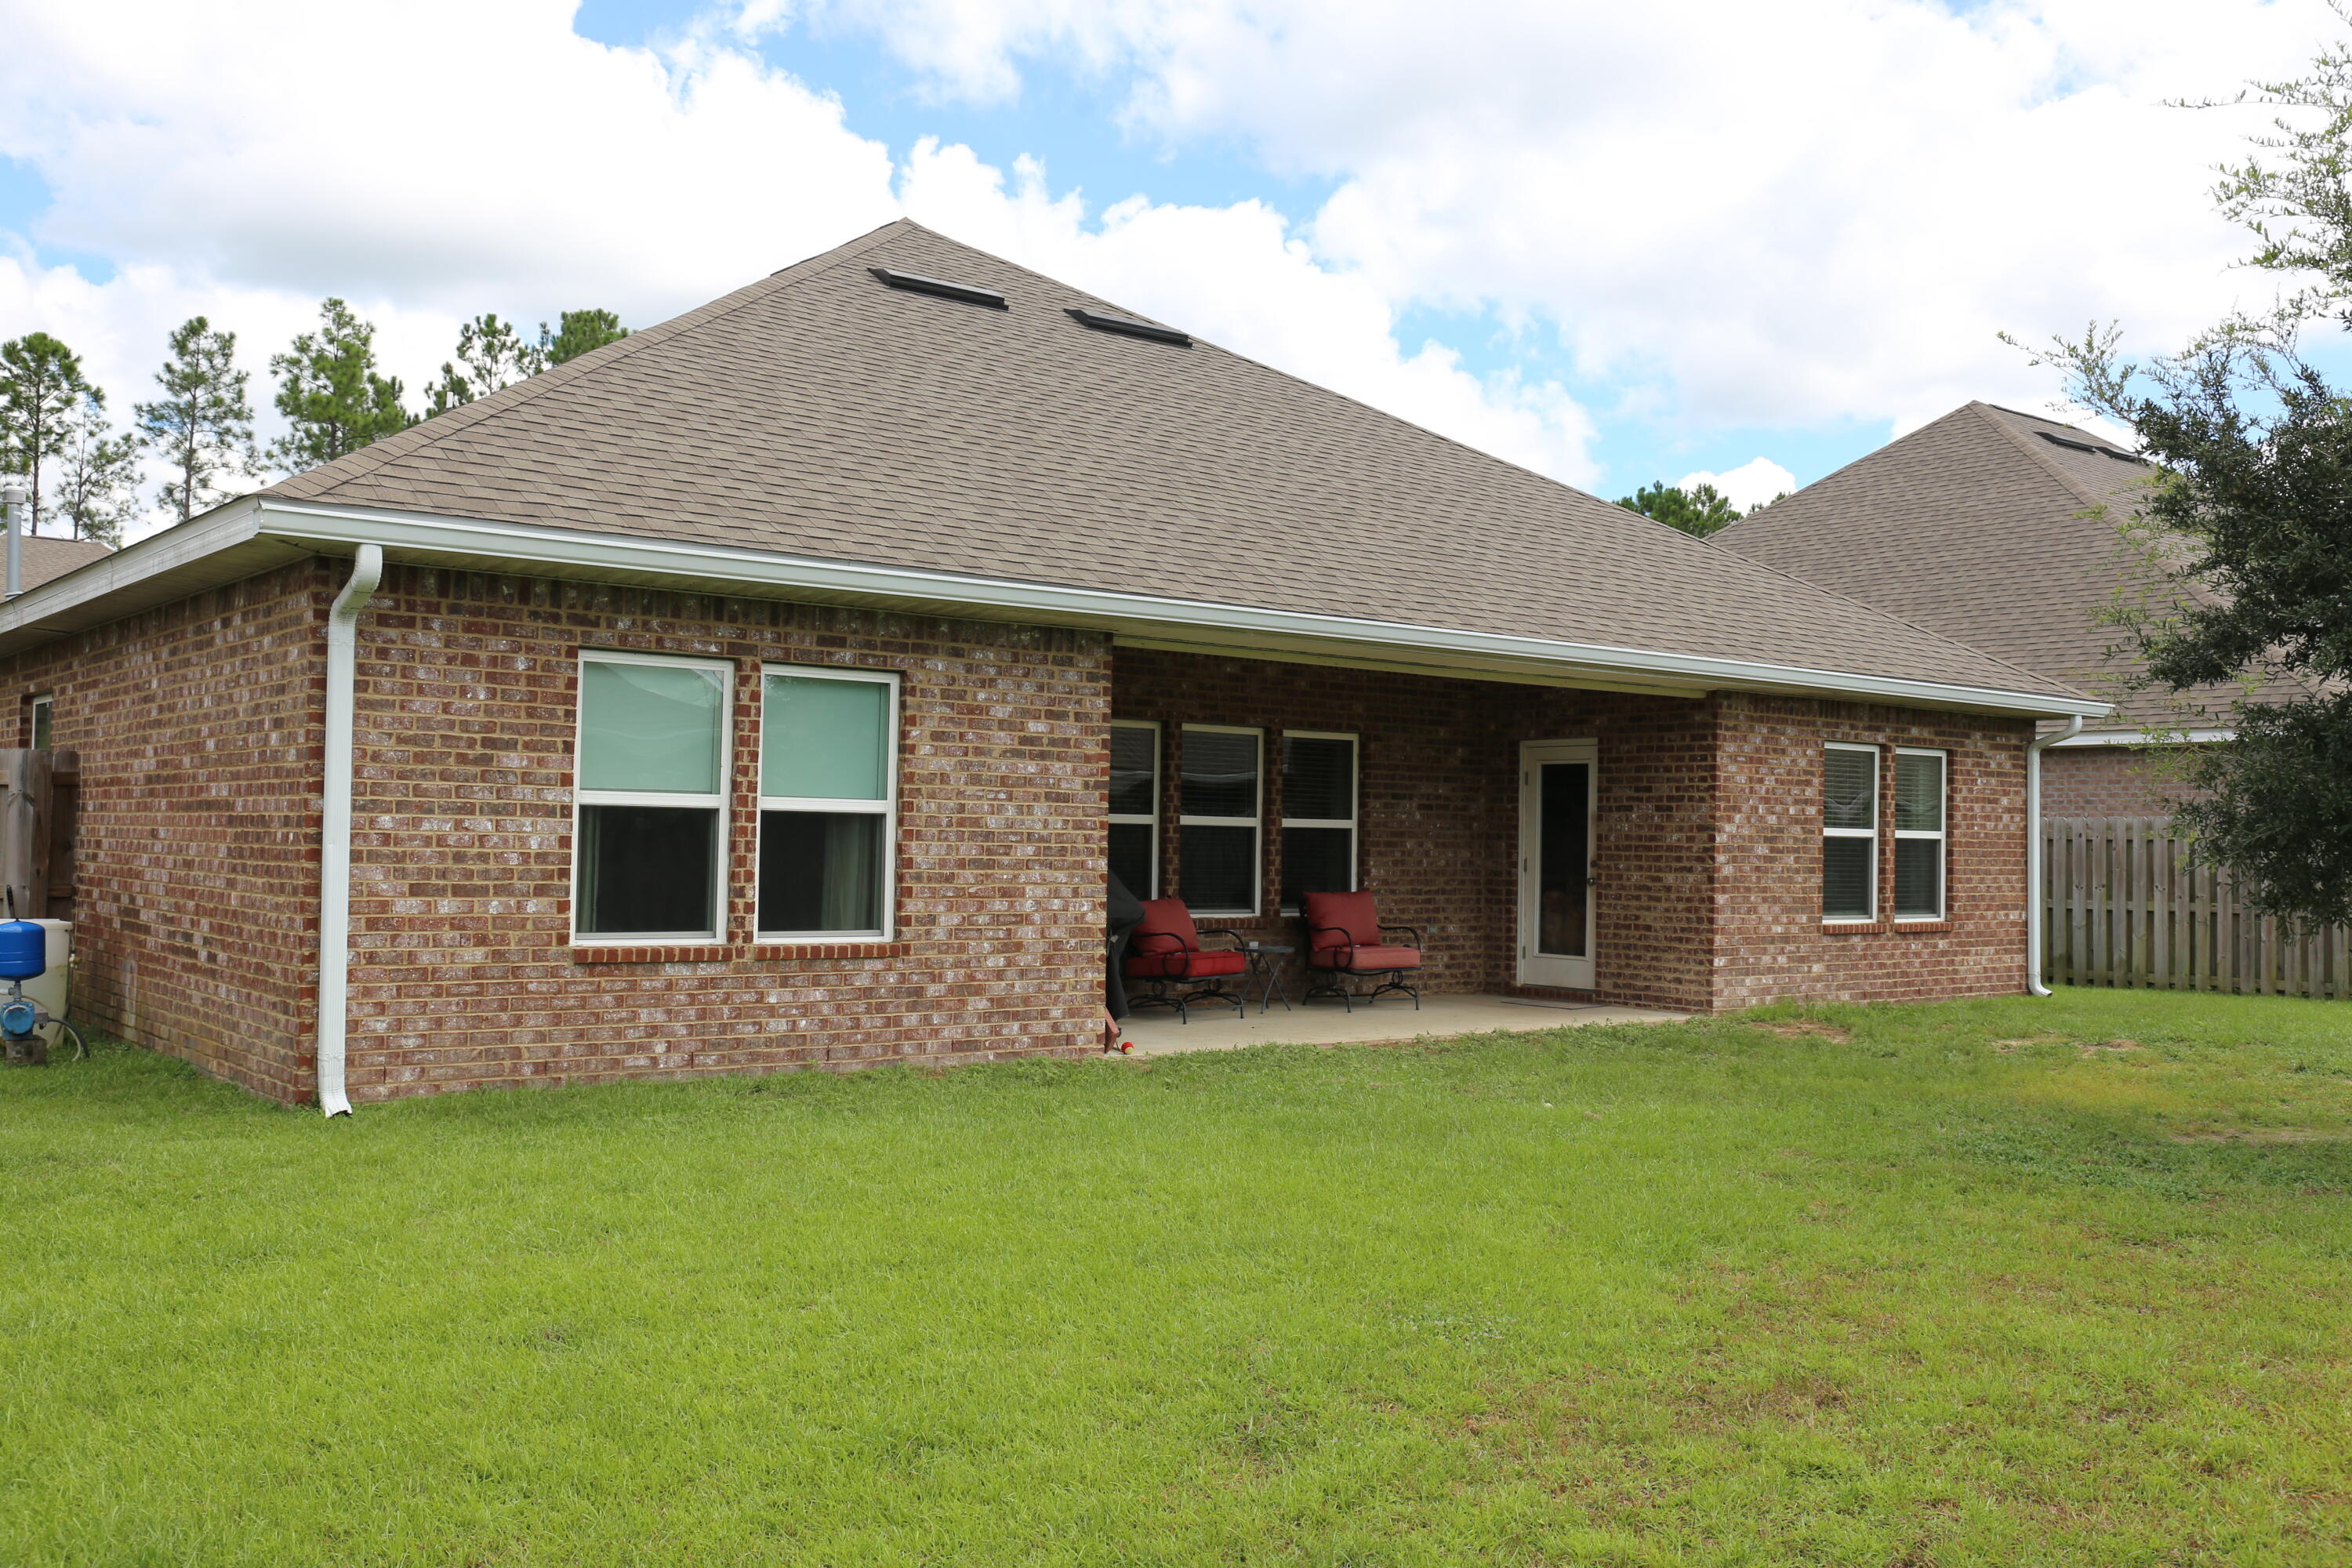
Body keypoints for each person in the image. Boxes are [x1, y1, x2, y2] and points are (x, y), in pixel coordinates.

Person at [1103, 870, 1144, 1050]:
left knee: (1110, 973)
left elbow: (1136, 911)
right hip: (1111, 933)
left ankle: (1111, 1019)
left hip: (1112, 934)